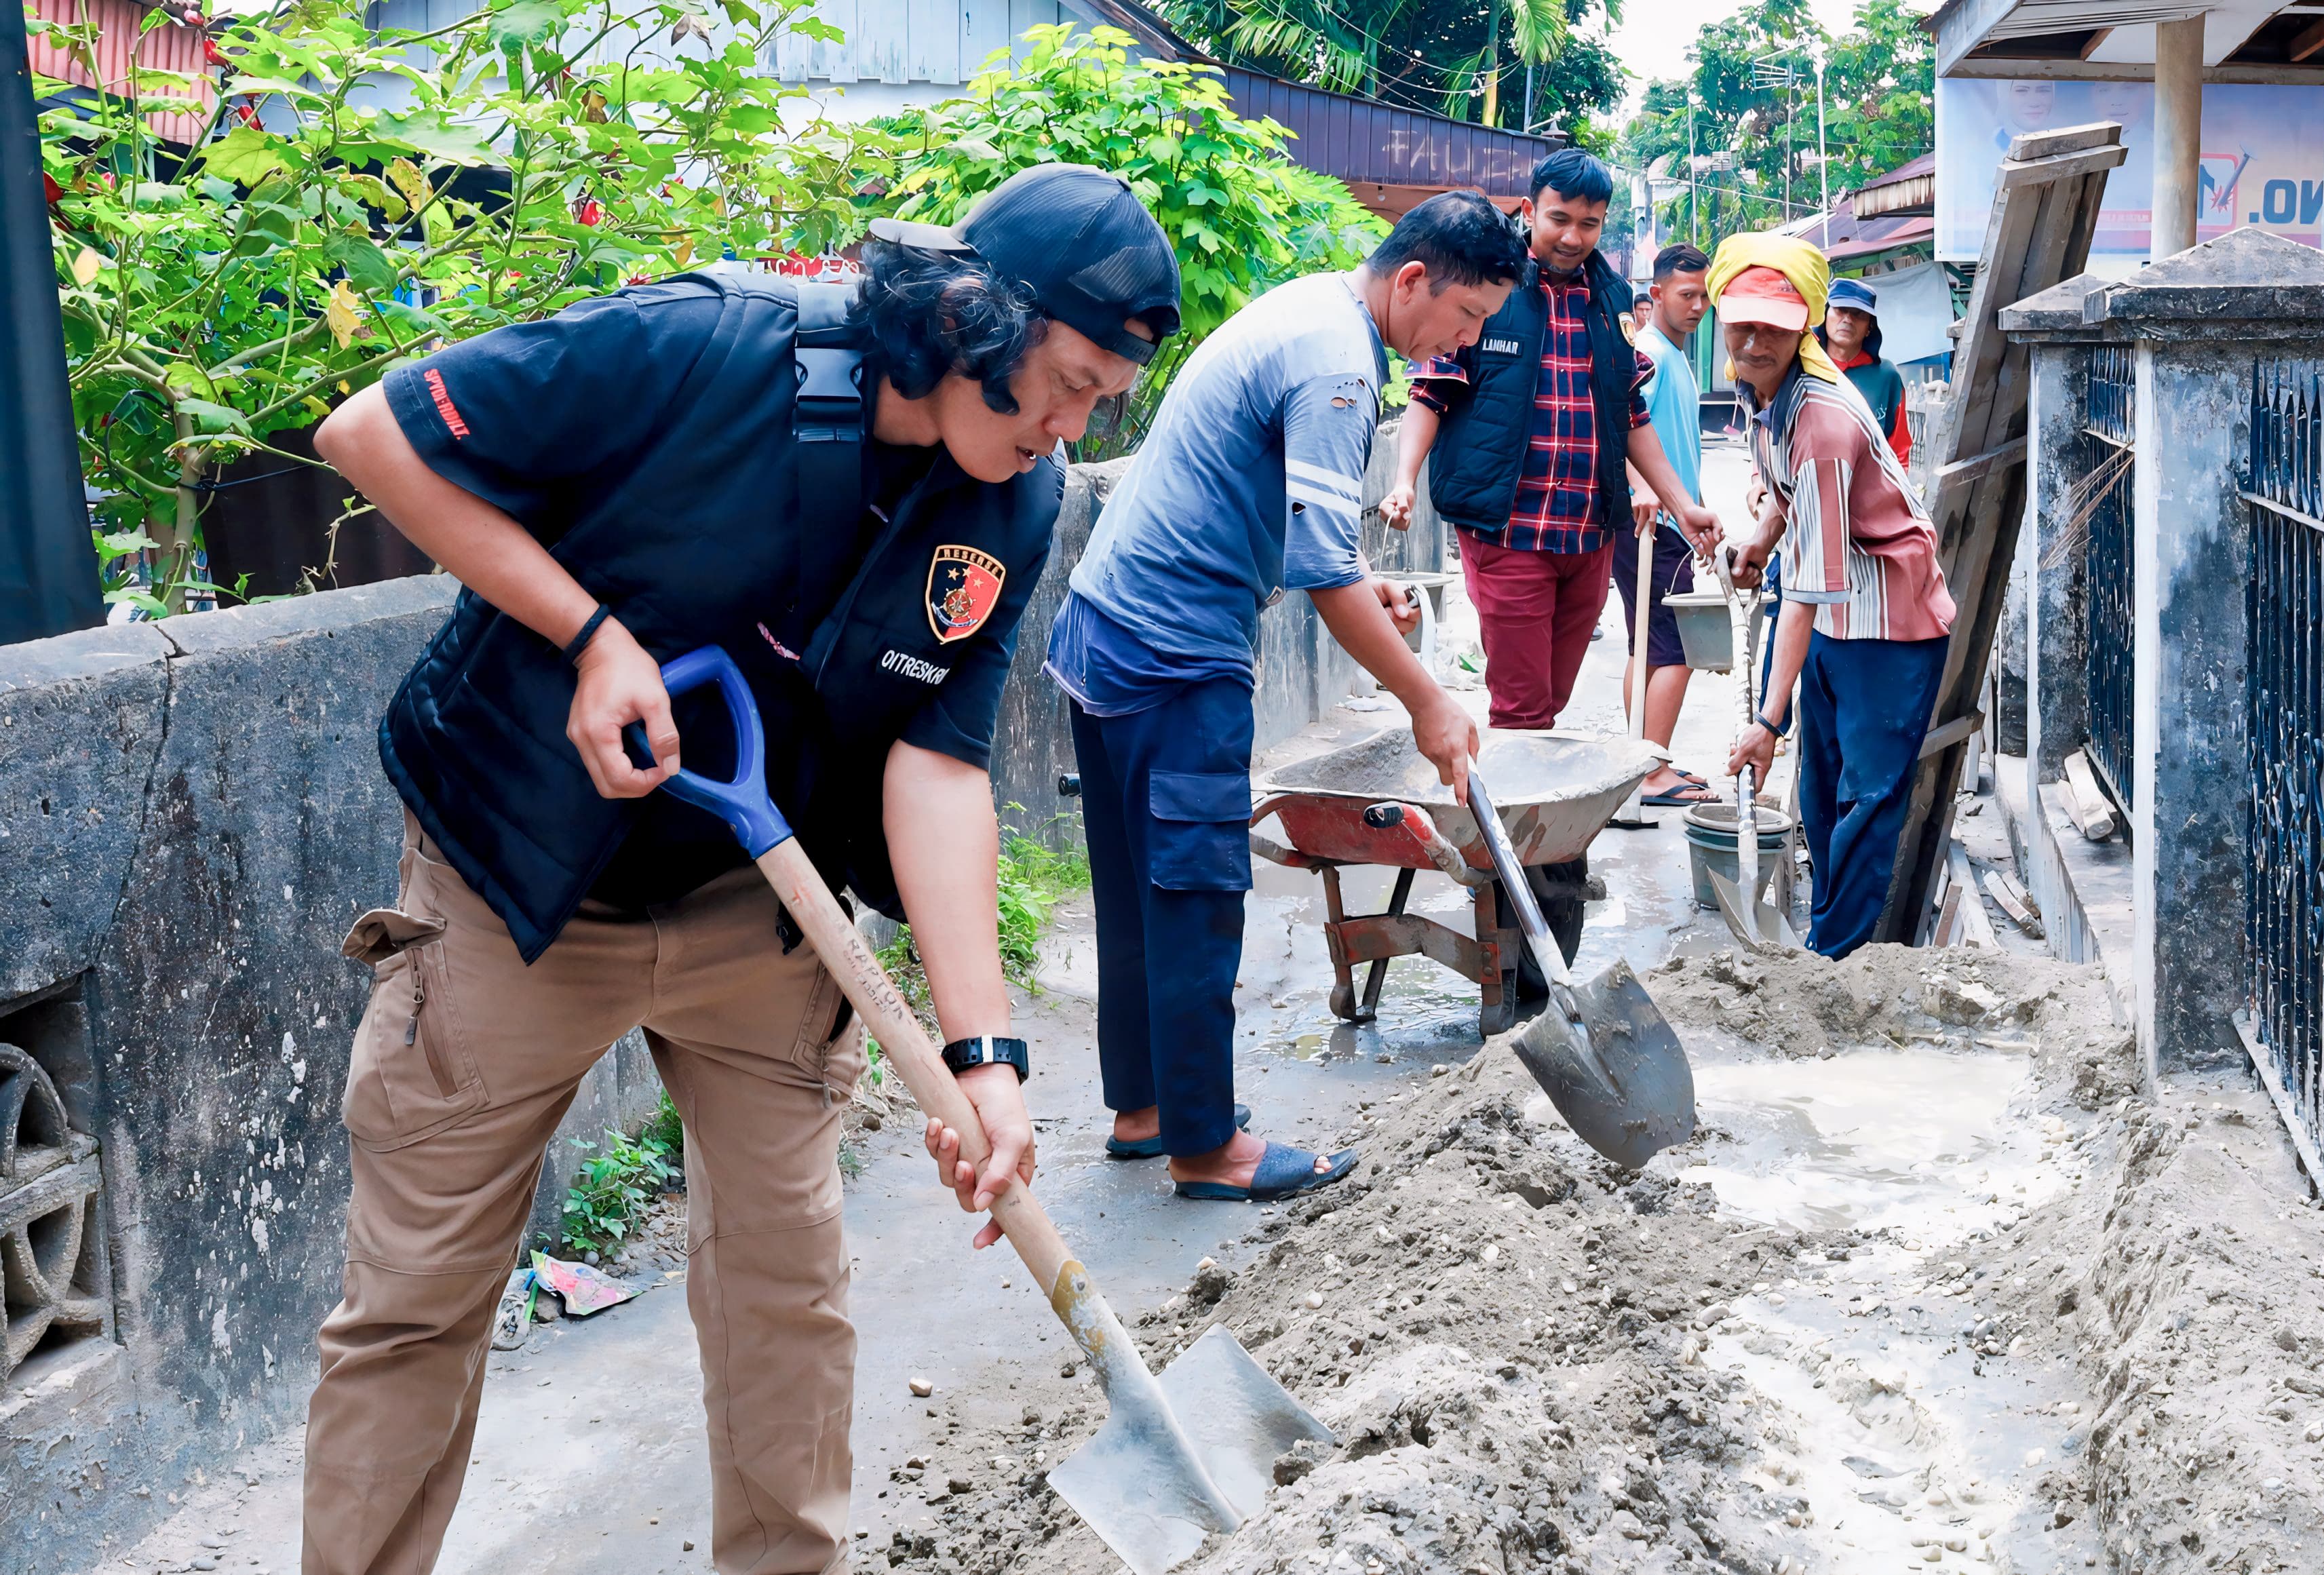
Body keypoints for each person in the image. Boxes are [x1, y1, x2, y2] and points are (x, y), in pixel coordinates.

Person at [301, 163, 1182, 1574]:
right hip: (515, 884)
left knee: (790, 1290)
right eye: (1066, 381)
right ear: (971, 314)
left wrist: (987, 1053)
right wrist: (589, 635)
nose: (1073, 428)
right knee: (417, 1299)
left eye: (1104, 403)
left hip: (758, 909)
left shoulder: (1011, 504)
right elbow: (374, 435)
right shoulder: (704, 345)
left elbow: (938, 764)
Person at [1048, 191, 1524, 1203]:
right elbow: (1319, 569)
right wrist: (1428, 701)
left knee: (1141, 888)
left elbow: (1289, 520)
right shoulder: (1343, 366)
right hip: (1172, 653)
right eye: (1469, 316)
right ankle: (1207, 1147)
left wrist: (1365, 579)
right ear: (1411, 281)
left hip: (1105, 628)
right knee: (1197, 892)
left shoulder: (1310, 309)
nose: (1466, 343)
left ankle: (1148, 1109)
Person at [1380, 151, 1719, 736]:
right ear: (1529, 210)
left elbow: (1630, 413)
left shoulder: (1611, 299)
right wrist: (1403, 481)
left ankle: (1514, 809)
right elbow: (1429, 393)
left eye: (1588, 224)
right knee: (1522, 708)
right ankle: (1503, 825)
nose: (1572, 236)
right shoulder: (1487, 286)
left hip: (1588, 532)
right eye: (1559, 218)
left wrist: (1683, 506)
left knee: (1552, 696)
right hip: (1506, 529)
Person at [1715, 234, 1956, 962]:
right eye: (1742, 324)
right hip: (1833, 614)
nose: (1755, 341)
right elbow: (1790, 502)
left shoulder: (1822, 419)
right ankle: (1827, 934)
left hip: (1888, 622)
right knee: (1820, 797)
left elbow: (1806, 595)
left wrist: (1766, 717)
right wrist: (1762, 536)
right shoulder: (1759, 390)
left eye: (1773, 328)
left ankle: (1838, 963)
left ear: (1803, 330)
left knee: (1866, 801)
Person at [1620, 241, 1719, 808]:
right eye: (1686, 295)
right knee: (1674, 650)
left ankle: (1644, 763)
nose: (1698, 305)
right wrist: (1640, 488)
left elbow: (1675, 448)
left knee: (1647, 646)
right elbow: (1621, 426)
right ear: (1654, 294)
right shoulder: (1646, 354)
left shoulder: (1674, 356)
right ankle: (1651, 771)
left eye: (1705, 295)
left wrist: (1694, 511)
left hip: (1670, 522)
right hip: (1648, 524)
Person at [1816, 277, 1912, 469]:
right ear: (1826, 314)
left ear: (1869, 328)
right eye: (1840, 309)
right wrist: (1761, 476)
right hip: (1807, 486)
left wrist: (1898, 493)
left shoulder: (1887, 376)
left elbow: (1898, 448)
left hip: (1867, 490)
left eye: (1859, 314)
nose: (1848, 319)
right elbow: (1773, 425)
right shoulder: (1804, 365)